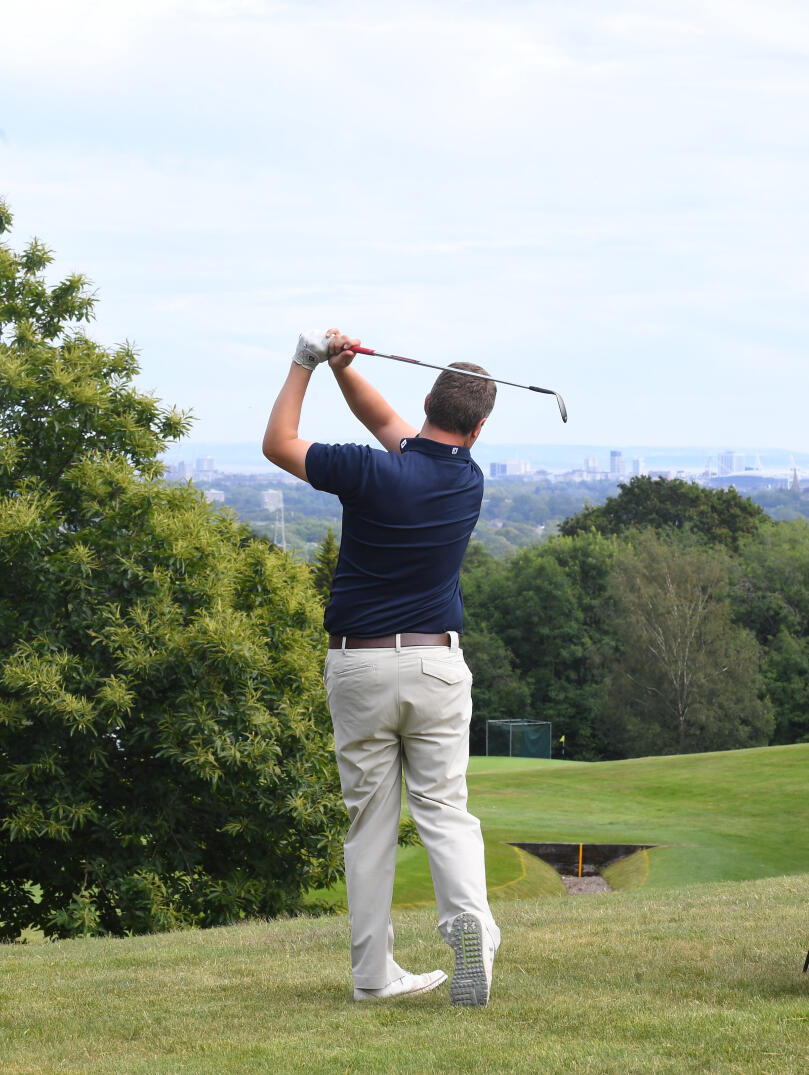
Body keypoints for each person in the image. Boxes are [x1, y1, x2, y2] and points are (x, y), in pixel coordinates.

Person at [262, 328, 501, 1006]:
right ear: (478, 427)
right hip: (434, 664)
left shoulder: (373, 472)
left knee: (368, 822)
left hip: (359, 666)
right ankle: (469, 935)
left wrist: (305, 362)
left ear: (425, 397)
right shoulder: (465, 479)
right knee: (444, 813)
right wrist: (343, 368)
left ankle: (372, 975)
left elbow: (278, 443)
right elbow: (385, 423)